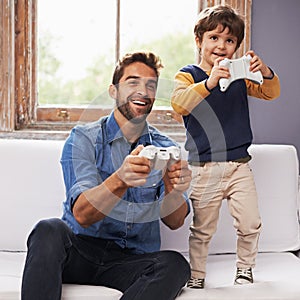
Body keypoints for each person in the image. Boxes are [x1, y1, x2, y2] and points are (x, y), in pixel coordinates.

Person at [21, 51, 192, 300]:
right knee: (48, 229)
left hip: (130, 260)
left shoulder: (165, 147)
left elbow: (175, 221)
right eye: (133, 82)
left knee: (175, 264)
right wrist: (120, 179)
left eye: (150, 85)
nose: (143, 91)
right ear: (113, 91)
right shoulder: (84, 139)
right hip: (81, 252)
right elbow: (82, 214)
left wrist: (173, 189)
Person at [171, 5, 280, 289]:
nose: (222, 46)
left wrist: (264, 71)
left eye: (230, 41)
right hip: (203, 167)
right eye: (214, 38)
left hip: (239, 165)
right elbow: (179, 105)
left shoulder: (240, 75)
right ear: (199, 41)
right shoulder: (188, 75)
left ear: (237, 47)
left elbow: (271, 92)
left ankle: (245, 268)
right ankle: (196, 274)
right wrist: (209, 82)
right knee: (203, 229)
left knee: (250, 222)